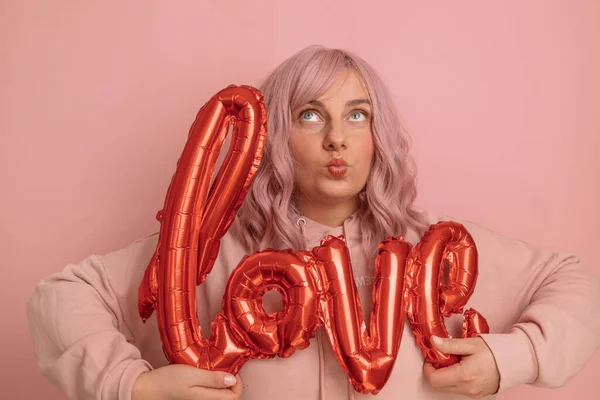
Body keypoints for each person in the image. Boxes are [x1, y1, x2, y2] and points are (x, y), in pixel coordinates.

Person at [26, 45, 600, 400]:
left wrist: (513, 358)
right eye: (310, 115)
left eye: (357, 115)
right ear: (274, 133)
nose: (337, 138)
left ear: (379, 135)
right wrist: (132, 385)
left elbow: (577, 283)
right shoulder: (210, 250)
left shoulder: (437, 248)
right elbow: (62, 296)